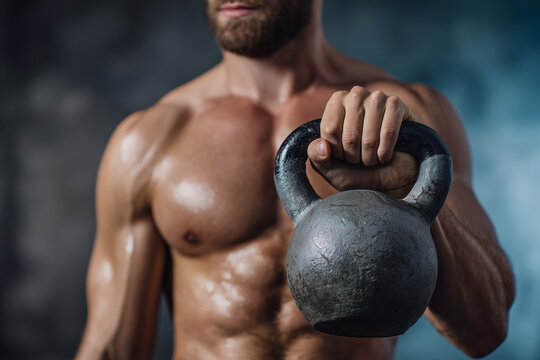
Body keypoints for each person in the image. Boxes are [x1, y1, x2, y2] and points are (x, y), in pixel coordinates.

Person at [75, 1, 515, 359]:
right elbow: (113, 347)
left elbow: (485, 329)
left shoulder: (412, 123)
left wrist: (410, 198)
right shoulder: (150, 140)